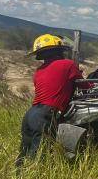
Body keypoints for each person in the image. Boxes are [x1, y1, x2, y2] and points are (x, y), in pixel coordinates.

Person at [17, 34, 86, 165]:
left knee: (25, 151)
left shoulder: (39, 71)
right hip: (45, 114)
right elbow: (85, 86)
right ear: (59, 51)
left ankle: (18, 178)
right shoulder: (68, 64)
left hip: (31, 114)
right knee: (39, 154)